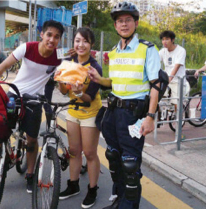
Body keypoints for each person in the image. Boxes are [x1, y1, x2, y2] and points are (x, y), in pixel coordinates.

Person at [88, 2, 160, 209]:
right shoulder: (114, 52)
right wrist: (99, 79)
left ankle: (129, 206)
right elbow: (115, 82)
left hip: (133, 115)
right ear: (115, 26)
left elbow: (155, 84)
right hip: (112, 112)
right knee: (113, 157)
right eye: (120, 21)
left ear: (136, 23)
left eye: (128, 20)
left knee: (130, 165)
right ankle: (120, 200)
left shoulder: (147, 49)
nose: (124, 24)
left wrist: (150, 116)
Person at [0, 20, 65, 193]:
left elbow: (63, 82)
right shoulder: (27, 48)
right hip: (15, 95)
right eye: (49, 35)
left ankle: (30, 174)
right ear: (42, 35)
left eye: (57, 37)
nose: (52, 40)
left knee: (31, 140)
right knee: (2, 131)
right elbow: (4, 65)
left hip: (35, 100)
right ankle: (3, 158)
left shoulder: (59, 58)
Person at [57, 27, 102, 209]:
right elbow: (62, 91)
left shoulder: (95, 68)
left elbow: (89, 97)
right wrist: (61, 81)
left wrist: (78, 92)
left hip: (90, 113)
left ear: (91, 44)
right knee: (74, 151)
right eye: (77, 40)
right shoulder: (68, 62)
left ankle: (92, 189)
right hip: (73, 112)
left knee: (90, 153)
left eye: (85, 41)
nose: (80, 44)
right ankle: (73, 185)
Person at [159, 30, 190, 111]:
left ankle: (178, 120)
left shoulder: (181, 50)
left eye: (166, 39)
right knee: (157, 99)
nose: (164, 42)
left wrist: (169, 79)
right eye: (163, 39)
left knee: (176, 104)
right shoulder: (163, 51)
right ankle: (160, 120)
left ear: (172, 40)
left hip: (177, 80)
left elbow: (176, 66)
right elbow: (155, 61)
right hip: (166, 79)